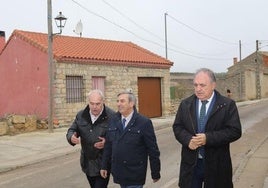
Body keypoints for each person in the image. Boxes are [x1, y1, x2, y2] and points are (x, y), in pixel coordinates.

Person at [172, 68, 242, 188]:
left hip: (217, 165)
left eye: (202, 85)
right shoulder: (186, 104)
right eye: (196, 85)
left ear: (213, 85)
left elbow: (235, 131)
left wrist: (208, 138)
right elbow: (178, 127)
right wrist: (188, 139)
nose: (198, 89)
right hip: (191, 165)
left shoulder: (227, 105)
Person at [100, 91, 161, 188]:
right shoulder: (113, 120)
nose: (118, 104)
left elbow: (153, 150)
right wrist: (104, 166)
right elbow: (108, 146)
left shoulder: (144, 123)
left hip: (135, 173)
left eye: (122, 101)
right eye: (118, 101)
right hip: (119, 172)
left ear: (131, 103)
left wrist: (155, 172)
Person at [66, 89, 115, 188]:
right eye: (92, 104)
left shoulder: (112, 116)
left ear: (103, 102)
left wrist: (107, 143)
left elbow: (119, 138)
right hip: (87, 162)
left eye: (97, 104)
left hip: (103, 163)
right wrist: (71, 137)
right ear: (88, 102)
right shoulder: (81, 115)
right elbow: (72, 129)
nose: (94, 107)